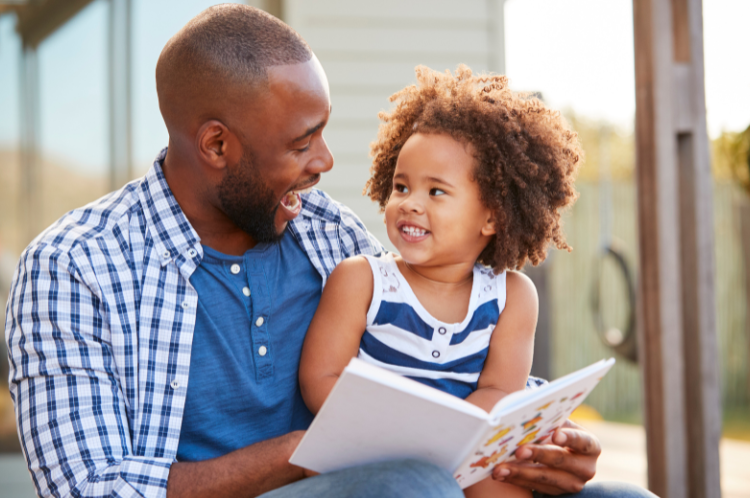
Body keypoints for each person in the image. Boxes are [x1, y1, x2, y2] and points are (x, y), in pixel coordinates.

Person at [4, 5, 654, 498]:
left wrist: (537, 435)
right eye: (301, 142)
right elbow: (92, 489)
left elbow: (438, 349)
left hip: (384, 481)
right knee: (411, 486)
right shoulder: (73, 268)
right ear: (217, 146)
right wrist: (309, 451)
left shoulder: (325, 231)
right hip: (360, 487)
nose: (327, 161)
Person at [298, 66, 580, 498]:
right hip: (367, 451)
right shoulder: (362, 281)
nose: (410, 204)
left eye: (436, 192)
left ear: (493, 216)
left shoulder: (512, 296)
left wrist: (445, 436)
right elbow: (321, 377)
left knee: (500, 480)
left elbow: (500, 389)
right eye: (401, 186)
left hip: (462, 447)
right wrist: (399, 432)